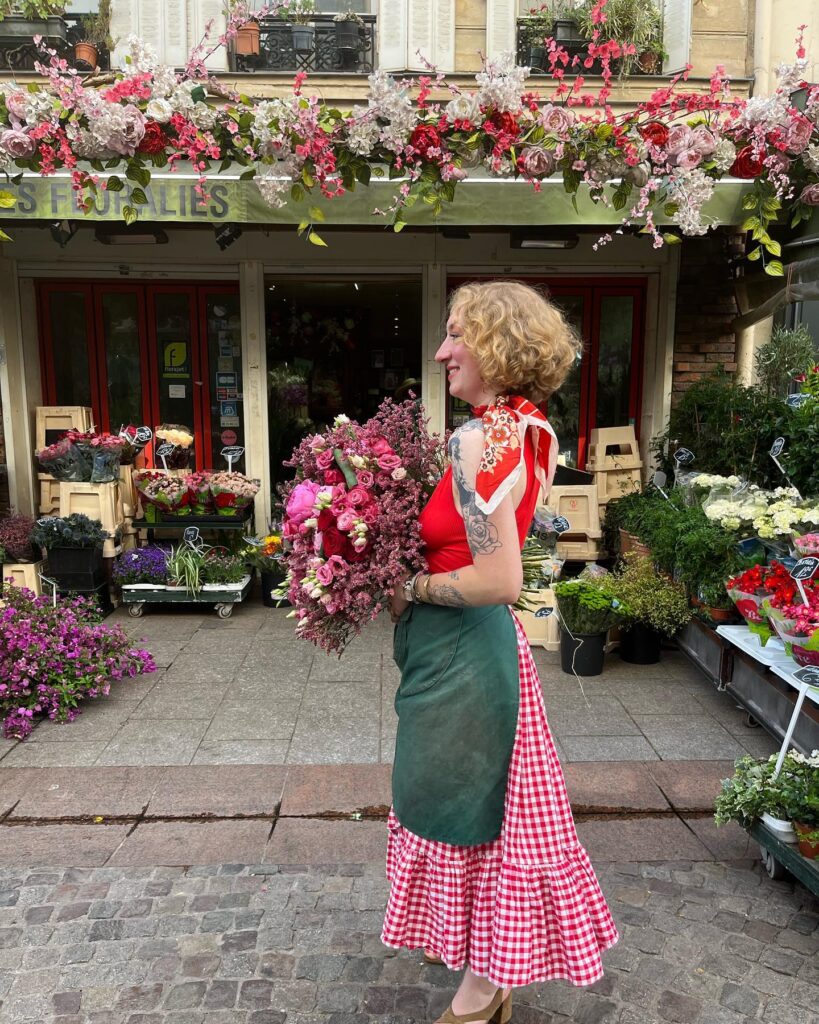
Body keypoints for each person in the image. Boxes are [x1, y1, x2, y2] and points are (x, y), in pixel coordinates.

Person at [383, 281, 619, 1024]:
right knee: (484, 810)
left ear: (494, 345)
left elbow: (496, 579)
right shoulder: (530, 429)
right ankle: (484, 959)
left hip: (464, 656)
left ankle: (485, 990)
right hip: (480, 657)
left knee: (459, 807)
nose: (441, 350)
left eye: (456, 335)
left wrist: (409, 585)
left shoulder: (475, 441)